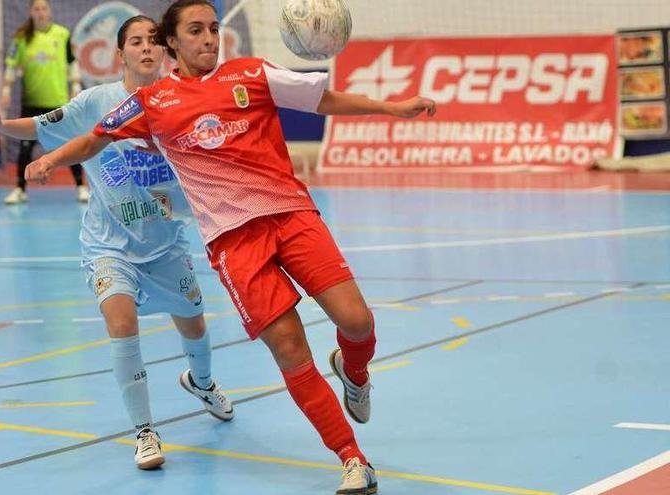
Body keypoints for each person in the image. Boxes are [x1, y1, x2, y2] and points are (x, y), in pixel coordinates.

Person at [24, 1, 436, 492]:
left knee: (358, 321)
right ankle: (352, 458)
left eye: (214, 29)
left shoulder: (252, 73)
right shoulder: (152, 101)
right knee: (288, 347)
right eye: (196, 31)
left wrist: (391, 107)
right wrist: (51, 160)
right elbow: (95, 139)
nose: (209, 39)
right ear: (171, 42)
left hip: (289, 215)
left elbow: (323, 99)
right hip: (232, 241)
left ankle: (354, 369)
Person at [0, 15, 233, 470]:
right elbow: (41, 124)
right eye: (136, 42)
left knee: (194, 326)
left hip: (166, 245)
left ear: (166, 50)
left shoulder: (179, 101)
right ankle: (145, 431)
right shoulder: (96, 103)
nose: (146, 48)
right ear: (120, 54)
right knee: (122, 323)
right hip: (109, 246)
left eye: (154, 41)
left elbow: (206, 167)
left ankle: (203, 382)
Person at [1, 0, 90, 204]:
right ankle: (19, 190)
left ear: (49, 12)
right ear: (31, 13)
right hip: (31, 102)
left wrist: (75, 86)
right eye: (36, 9)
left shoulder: (62, 34)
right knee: (25, 148)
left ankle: (81, 187)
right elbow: (11, 66)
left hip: (57, 102)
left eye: (44, 8)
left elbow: (72, 62)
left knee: (69, 145)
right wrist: (6, 89)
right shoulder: (22, 37)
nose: (40, 12)